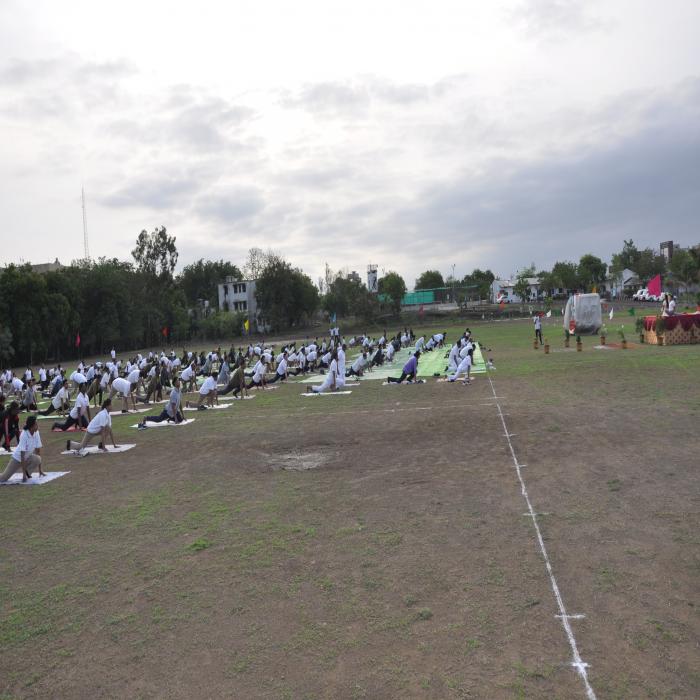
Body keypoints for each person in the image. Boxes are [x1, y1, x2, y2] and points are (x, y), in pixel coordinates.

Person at [0, 415, 45, 482]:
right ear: (31, 426)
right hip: (17, 459)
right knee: (3, 478)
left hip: (27, 457)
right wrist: (23, 475)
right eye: (36, 424)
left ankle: (27, 475)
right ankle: (25, 474)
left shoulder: (36, 433)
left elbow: (38, 451)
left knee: (38, 459)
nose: (37, 426)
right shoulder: (24, 434)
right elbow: (22, 456)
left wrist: (40, 470)